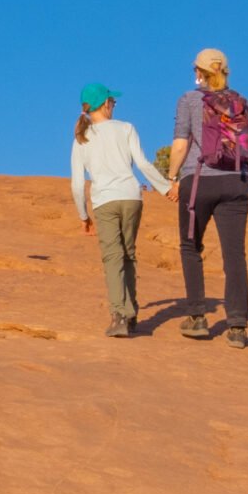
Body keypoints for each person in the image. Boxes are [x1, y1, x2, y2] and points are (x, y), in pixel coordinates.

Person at [165, 48, 248, 347]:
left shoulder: (189, 100)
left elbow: (180, 144)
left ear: (198, 72)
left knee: (190, 245)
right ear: (225, 71)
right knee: (235, 255)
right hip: (236, 181)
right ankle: (238, 326)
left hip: (199, 180)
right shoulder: (242, 102)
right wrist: (247, 181)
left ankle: (196, 317)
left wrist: (172, 177)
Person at [70, 82, 170, 337]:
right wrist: (166, 188)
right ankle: (131, 311)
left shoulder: (82, 138)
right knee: (128, 254)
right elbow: (143, 164)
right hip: (131, 197)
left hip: (104, 201)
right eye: (113, 102)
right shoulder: (126, 128)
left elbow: (78, 183)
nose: (114, 105)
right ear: (105, 104)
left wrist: (84, 215)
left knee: (113, 258)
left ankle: (119, 316)